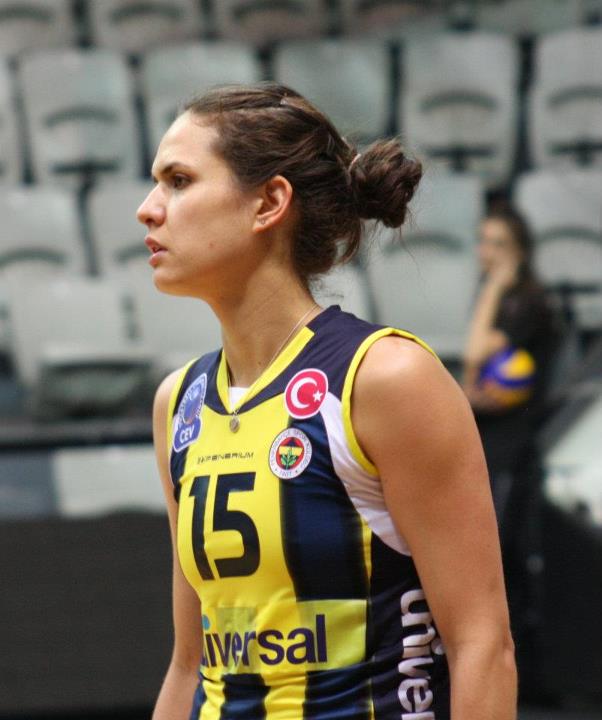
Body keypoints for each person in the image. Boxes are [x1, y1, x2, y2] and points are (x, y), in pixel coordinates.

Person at [137, 82, 516, 720]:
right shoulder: (179, 403)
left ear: (269, 202)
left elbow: (483, 646)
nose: (148, 210)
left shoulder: (385, 378)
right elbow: (188, 662)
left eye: (178, 181)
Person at [462, 205, 560, 696]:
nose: (487, 252)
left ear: (520, 250)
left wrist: (494, 288)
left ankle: (525, 676)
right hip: (488, 440)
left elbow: (476, 354)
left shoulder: (528, 303)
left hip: (513, 446)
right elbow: (471, 380)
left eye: (498, 243)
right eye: (483, 241)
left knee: (503, 557)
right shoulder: (500, 301)